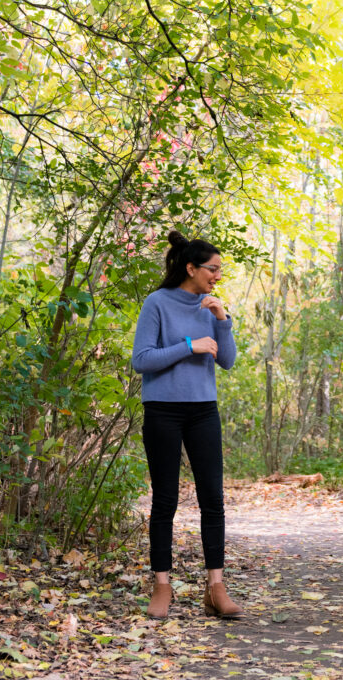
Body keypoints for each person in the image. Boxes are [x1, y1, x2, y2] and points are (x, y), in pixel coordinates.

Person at [131, 229, 243, 620]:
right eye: (212, 269)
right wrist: (188, 347)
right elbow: (141, 360)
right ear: (190, 267)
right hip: (162, 409)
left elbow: (226, 361)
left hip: (203, 411)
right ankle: (162, 586)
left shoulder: (211, 306)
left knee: (212, 498)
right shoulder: (157, 303)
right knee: (165, 500)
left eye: (218, 270)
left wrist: (222, 320)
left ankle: (216, 587)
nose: (217, 276)